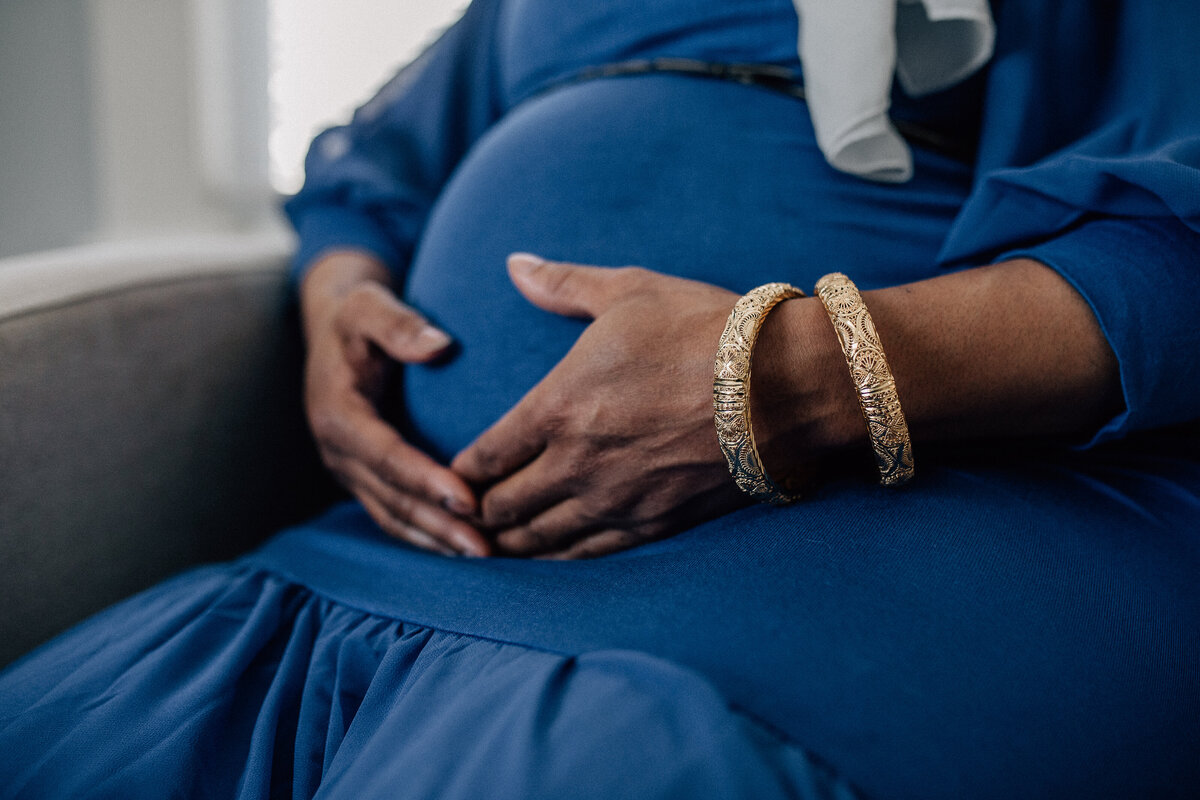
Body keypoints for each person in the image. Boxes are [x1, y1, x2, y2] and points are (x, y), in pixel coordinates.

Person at [2, 0, 1198, 797]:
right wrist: (338, 304)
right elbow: (372, 165)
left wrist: (797, 376)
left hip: (881, 529)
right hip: (425, 544)